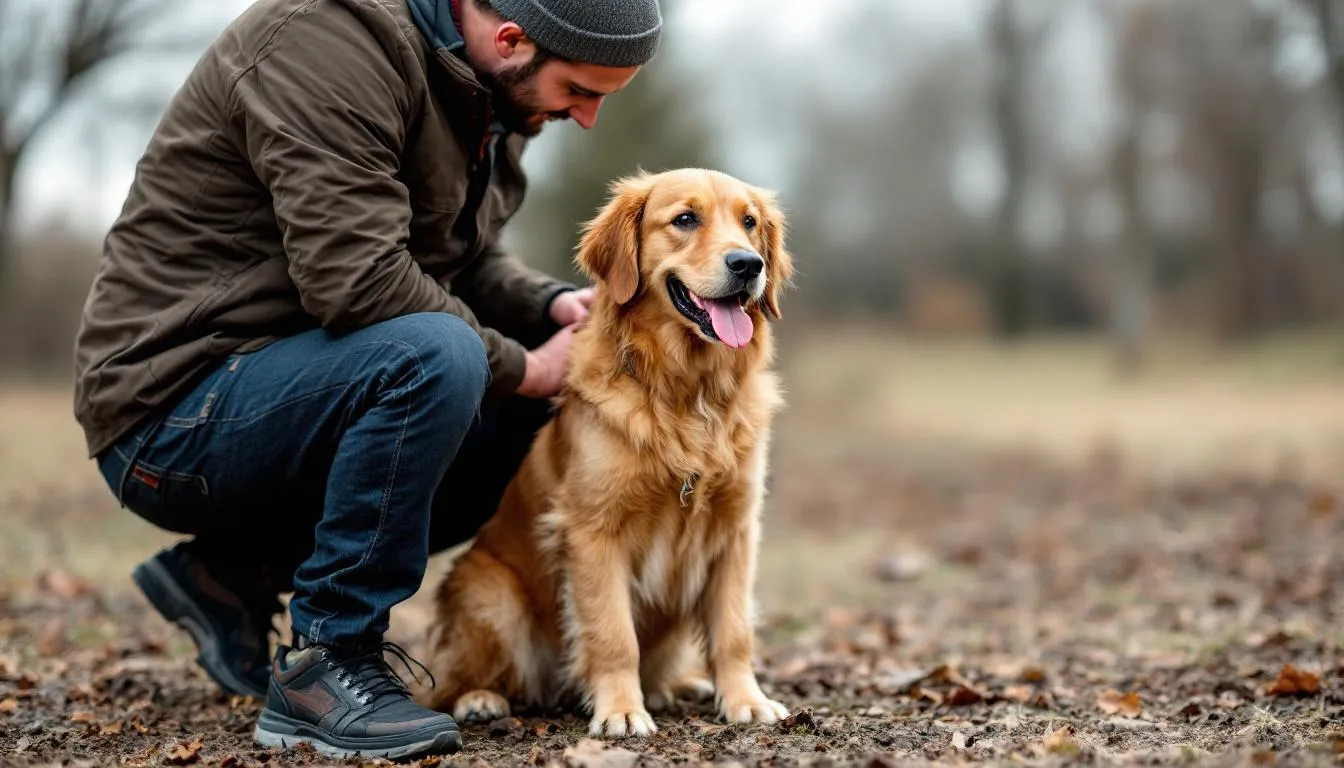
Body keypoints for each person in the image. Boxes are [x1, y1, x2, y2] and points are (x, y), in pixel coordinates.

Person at [71, 0, 661, 758]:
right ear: (511, 39)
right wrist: (521, 365)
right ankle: (328, 665)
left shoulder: (488, 93)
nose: (586, 119)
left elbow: (465, 262)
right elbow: (360, 282)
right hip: (173, 406)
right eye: (581, 92)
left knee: (530, 387)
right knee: (441, 359)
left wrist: (548, 306)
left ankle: (230, 576)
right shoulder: (325, 41)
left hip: (303, 378)